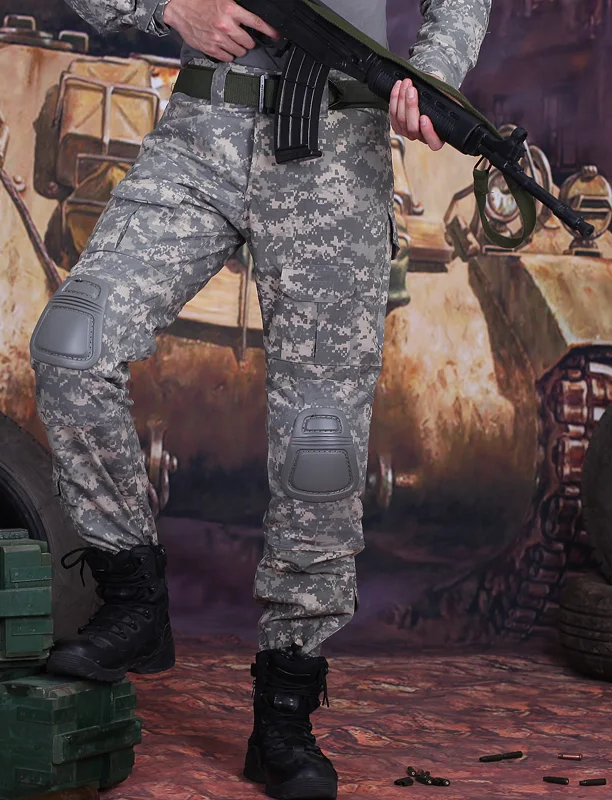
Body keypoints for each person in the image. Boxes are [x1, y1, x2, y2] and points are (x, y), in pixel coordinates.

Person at [30, 0, 491, 797]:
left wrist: (432, 74)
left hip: (336, 154)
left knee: (320, 444)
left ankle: (285, 713)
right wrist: (167, 7)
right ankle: (133, 597)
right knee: (72, 344)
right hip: (200, 134)